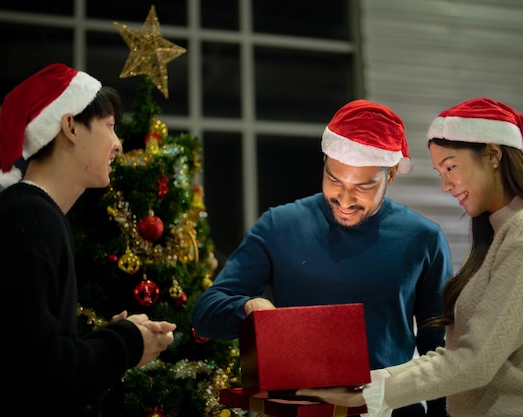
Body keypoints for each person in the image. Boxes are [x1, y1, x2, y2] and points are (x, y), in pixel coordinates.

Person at [295, 97, 523, 417]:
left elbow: (475, 359)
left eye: (450, 166)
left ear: (493, 154)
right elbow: (460, 354)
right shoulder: (502, 234)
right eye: (439, 171)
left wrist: (368, 391)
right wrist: (367, 385)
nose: (445, 185)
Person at [191, 99, 454, 416]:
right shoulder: (280, 225)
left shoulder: (423, 239)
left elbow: (439, 351)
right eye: (334, 179)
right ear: (325, 162)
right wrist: (247, 307)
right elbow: (205, 314)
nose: (345, 199)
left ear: (392, 174)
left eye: (363, 186)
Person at [0, 63, 176, 416]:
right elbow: (33, 378)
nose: (118, 144)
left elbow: (33, 357)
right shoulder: (28, 222)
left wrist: (110, 340)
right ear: (70, 126)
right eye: (109, 127)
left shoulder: (31, 216)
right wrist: (128, 342)